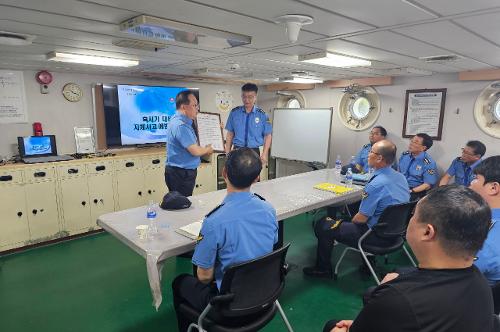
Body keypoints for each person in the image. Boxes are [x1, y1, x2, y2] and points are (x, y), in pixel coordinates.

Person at [323, 185, 495, 332]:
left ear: (427, 232)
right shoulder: (480, 283)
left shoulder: (398, 300)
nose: (409, 220)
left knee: (332, 325)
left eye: (413, 215)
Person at [172, 148, 278, 331]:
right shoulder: (269, 210)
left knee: (180, 282)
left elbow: (204, 277)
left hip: (230, 311)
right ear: (256, 178)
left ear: (224, 173)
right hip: (265, 298)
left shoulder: (214, 222)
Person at [303, 140, 410, 278]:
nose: (368, 155)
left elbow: (360, 219)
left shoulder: (375, 185)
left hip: (373, 235)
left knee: (323, 224)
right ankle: (368, 263)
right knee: (348, 216)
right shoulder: (400, 177)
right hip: (395, 233)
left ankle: (323, 269)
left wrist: (344, 221)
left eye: (371, 152)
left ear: (379, 158)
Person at [165, 90, 213, 197]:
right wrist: (207, 150)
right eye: (194, 105)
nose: (197, 108)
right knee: (182, 204)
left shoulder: (179, 121)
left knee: (180, 202)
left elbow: (195, 139)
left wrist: (215, 130)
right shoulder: (181, 126)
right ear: (184, 107)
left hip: (179, 172)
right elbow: (195, 151)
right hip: (181, 174)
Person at [470, 155, 500, 286]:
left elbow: (453, 277)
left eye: (476, 179)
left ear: (493, 188)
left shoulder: (485, 239)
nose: (471, 184)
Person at [224, 83, 272, 164]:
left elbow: (268, 135)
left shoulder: (263, 115)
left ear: (255, 97)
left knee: (253, 176)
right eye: (244, 96)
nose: (246, 100)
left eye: (250, 97)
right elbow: (230, 134)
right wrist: (227, 151)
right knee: (236, 175)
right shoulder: (234, 113)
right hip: (237, 150)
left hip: (254, 151)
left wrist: (264, 154)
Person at [398, 133, 438, 201]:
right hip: (400, 186)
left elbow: (427, 185)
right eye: (412, 141)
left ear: (423, 148)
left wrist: (411, 191)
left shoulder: (428, 163)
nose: (411, 144)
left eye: (415, 142)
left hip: (415, 191)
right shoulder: (405, 155)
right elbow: (398, 172)